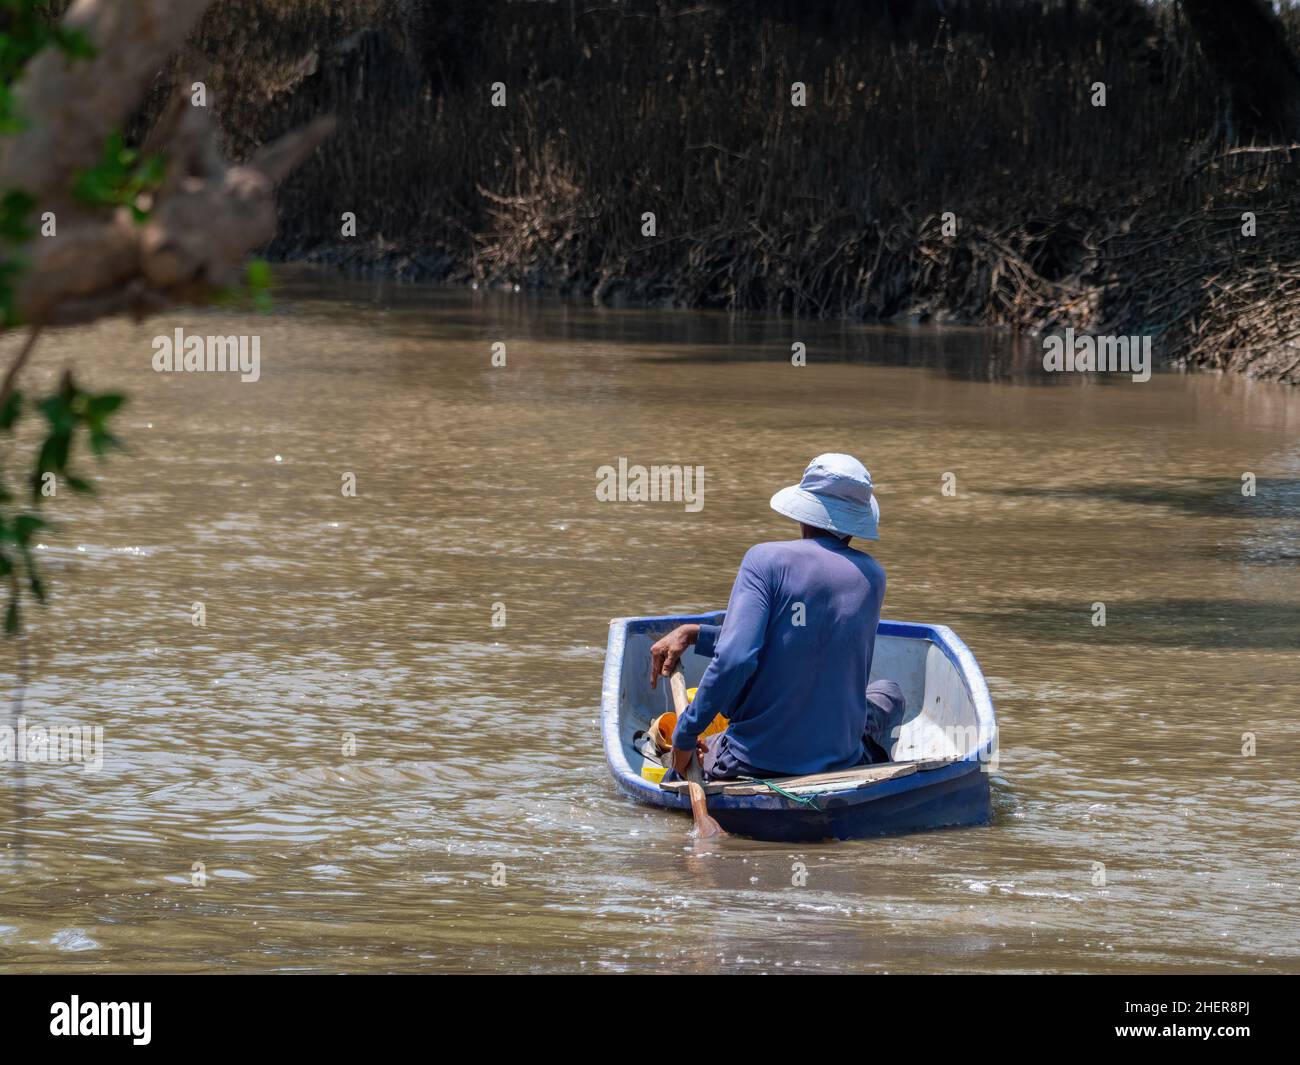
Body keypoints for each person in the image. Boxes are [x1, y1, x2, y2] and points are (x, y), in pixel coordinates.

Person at [650, 453, 904, 781]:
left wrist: (686, 736)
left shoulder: (765, 560)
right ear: (857, 521)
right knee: (890, 694)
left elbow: (737, 659)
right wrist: (697, 633)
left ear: (805, 512)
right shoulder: (873, 576)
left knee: (675, 758)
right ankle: (862, 775)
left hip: (753, 760)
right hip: (842, 760)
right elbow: (806, 636)